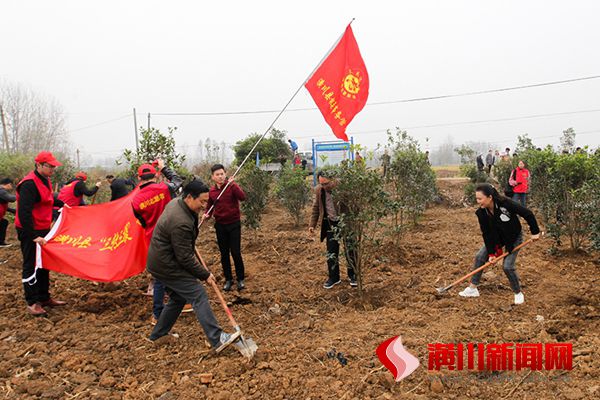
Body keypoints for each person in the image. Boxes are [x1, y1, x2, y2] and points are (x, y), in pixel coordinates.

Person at [147, 180, 242, 353]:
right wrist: (204, 274)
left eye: (207, 201)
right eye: (202, 202)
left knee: (178, 297)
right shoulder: (180, 221)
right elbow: (184, 257)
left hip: (161, 259)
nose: (205, 205)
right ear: (189, 197)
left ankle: (158, 335)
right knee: (198, 293)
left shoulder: (178, 203)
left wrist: (188, 242)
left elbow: (182, 249)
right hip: (166, 264)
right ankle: (217, 337)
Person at [459, 184, 540, 305]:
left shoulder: (505, 204)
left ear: (490, 197)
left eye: (480, 199)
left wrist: (535, 232)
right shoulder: (481, 213)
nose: (478, 202)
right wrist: (492, 253)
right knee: (480, 257)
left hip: (513, 237)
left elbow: (527, 213)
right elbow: (487, 234)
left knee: (507, 266)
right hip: (498, 238)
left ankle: (518, 293)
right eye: (477, 199)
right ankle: (472, 288)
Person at [131, 159, 184, 325]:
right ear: (156, 175)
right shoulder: (164, 188)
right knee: (179, 268)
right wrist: (164, 167)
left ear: (139, 178)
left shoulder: (135, 200)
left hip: (153, 239)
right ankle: (182, 302)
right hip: (172, 234)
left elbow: (141, 220)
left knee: (160, 276)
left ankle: (158, 314)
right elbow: (178, 182)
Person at [15, 151, 67, 316]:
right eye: (49, 166)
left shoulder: (45, 180)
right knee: (31, 264)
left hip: (43, 228)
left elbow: (48, 199)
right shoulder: (29, 184)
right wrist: (33, 236)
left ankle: (44, 297)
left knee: (44, 263)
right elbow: (24, 213)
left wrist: (65, 205)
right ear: (39, 165)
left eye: (54, 166)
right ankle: (32, 302)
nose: (53, 169)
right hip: (29, 230)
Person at [308, 170, 357, 289]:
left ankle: (353, 275)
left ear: (333, 180)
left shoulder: (343, 189)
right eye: (321, 184)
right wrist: (312, 225)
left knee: (350, 249)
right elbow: (316, 208)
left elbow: (355, 204)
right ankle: (334, 278)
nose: (324, 187)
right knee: (331, 251)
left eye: (326, 184)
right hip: (331, 223)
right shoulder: (320, 191)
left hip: (346, 223)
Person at [204, 164, 247, 291]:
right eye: (217, 174)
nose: (220, 176)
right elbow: (210, 206)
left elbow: (242, 197)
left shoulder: (231, 187)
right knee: (224, 254)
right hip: (220, 225)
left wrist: (233, 184)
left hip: (234, 224)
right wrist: (207, 214)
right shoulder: (212, 192)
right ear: (213, 177)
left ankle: (240, 279)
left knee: (235, 252)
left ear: (225, 174)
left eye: (222, 174)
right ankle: (228, 279)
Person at [0, 178, 17, 247]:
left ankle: (1, 242)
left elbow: (5, 207)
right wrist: (21, 196)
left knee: (4, 222)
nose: (11, 187)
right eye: (11, 185)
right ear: (8, 184)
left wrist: (15, 211)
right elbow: (11, 199)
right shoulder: (2, 191)